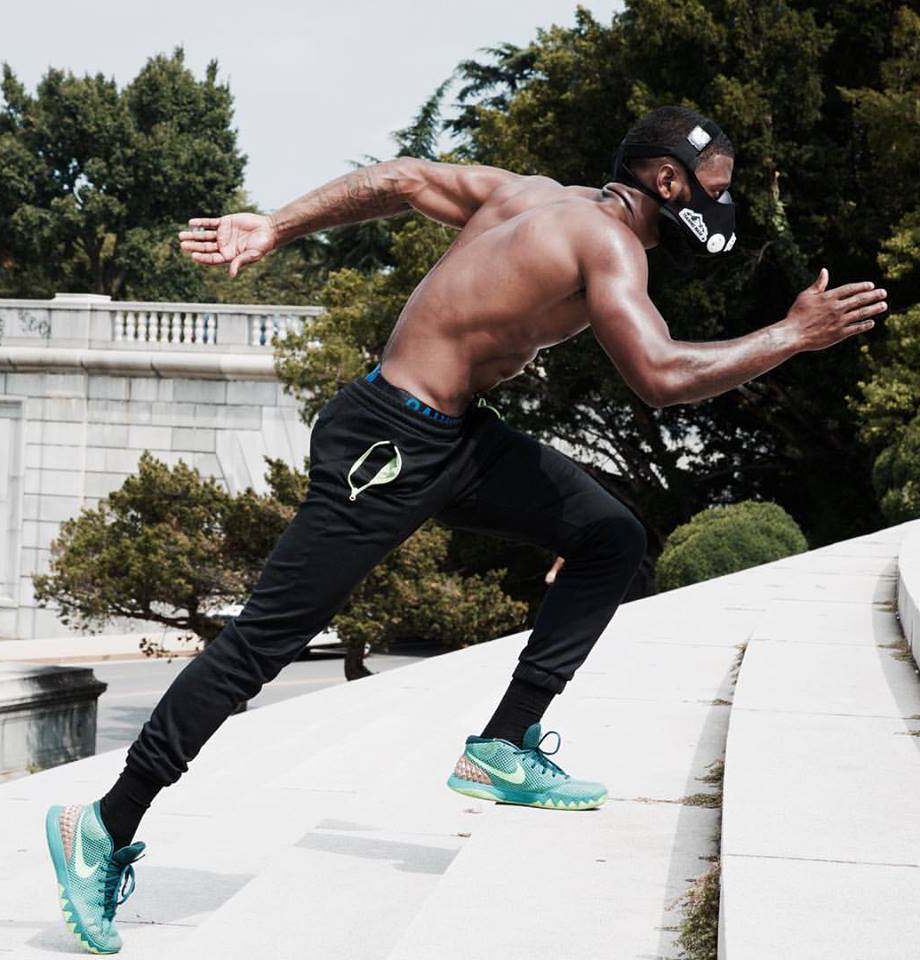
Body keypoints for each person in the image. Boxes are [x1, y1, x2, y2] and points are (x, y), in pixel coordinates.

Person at [44, 105, 886, 953]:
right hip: (389, 443)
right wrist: (792, 334)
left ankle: (504, 743)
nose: (723, 205)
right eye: (717, 188)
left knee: (610, 536)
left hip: (450, 437)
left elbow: (405, 177)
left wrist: (278, 225)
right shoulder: (610, 244)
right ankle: (103, 826)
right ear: (669, 182)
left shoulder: (529, 193)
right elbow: (661, 377)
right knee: (259, 647)